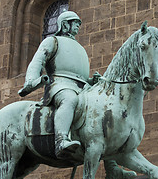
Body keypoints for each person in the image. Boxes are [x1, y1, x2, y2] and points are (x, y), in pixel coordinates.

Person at [19, 11, 99, 159]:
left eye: (78, 24)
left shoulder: (79, 48)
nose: (77, 27)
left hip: (82, 88)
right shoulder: (52, 41)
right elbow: (37, 61)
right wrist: (31, 80)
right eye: (74, 23)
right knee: (69, 100)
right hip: (60, 85)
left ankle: (110, 162)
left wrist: (91, 81)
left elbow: (78, 74)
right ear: (64, 24)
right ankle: (61, 140)